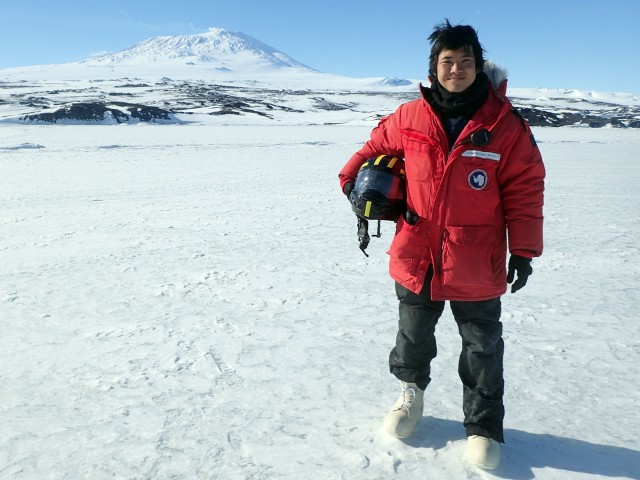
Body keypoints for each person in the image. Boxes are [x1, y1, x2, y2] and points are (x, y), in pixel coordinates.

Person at [339, 19, 545, 469]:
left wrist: (524, 250)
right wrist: (354, 185)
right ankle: (410, 395)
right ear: (434, 68)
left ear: (478, 67)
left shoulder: (505, 125)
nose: (456, 70)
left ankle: (484, 425)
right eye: (447, 62)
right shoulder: (410, 116)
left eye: (465, 62)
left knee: (482, 344)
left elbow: (526, 188)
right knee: (413, 332)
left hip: (477, 255)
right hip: (417, 250)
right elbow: (369, 149)